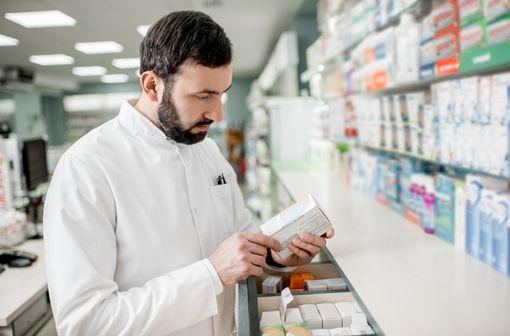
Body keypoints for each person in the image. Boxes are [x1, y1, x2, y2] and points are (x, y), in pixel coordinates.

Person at [44, 10, 334, 336]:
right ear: (153, 85)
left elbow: (239, 244)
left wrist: (277, 257)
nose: (218, 113)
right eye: (203, 96)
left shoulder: (207, 150)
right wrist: (210, 273)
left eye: (222, 93)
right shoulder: (87, 168)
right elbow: (86, 323)